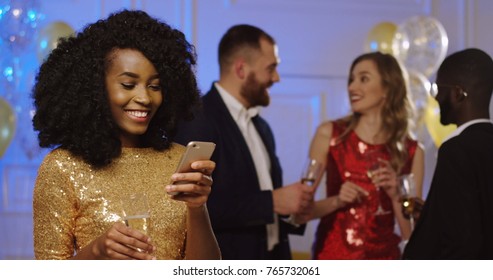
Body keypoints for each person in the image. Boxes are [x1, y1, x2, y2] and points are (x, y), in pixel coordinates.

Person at [31, 10, 220, 260]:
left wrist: (198, 208)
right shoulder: (62, 168)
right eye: (128, 85)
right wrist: (97, 252)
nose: (144, 98)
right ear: (95, 88)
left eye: (155, 86)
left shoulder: (179, 162)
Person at [174, 24, 314, 260]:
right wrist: (272, 202)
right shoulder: (198, 118)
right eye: (271, 68)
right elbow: (186, 205)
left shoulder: (262, 127)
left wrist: (292, 213)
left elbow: (265, 210)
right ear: (241, 69)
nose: (276, 78)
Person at [295, 52, 425, 259]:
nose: (352, 87)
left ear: (388, 88)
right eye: (351, 80)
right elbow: (300, 214)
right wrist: (337, 201)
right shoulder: (329, 134)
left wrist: (395, 196)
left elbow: (412, 235)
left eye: (363, 79)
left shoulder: (412, 151)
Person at [403, 48, 493, 259]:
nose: (435, 98)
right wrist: (434, 213)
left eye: (437, 88)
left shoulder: (456, 150)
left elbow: (461, 241)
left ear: (457, 94)